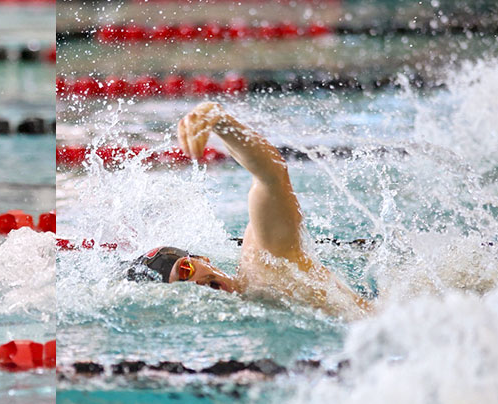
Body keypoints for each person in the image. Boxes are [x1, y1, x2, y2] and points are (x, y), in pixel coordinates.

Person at [126, 101, 371, 318]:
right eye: (178, 291)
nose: (193, 286)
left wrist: (219, 120)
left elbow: (271, 176)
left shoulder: (264, 264)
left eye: (186, 270)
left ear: (203, 260)